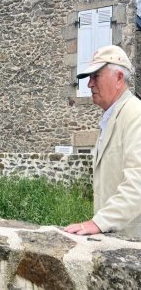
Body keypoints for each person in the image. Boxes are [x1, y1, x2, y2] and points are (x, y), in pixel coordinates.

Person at [64, 45, 141, 238]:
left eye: (96, 76)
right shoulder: (113, 117)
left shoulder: (136, 115)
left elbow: (138, 182)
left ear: (119, 78)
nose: (89, 84)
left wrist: (99, 222)